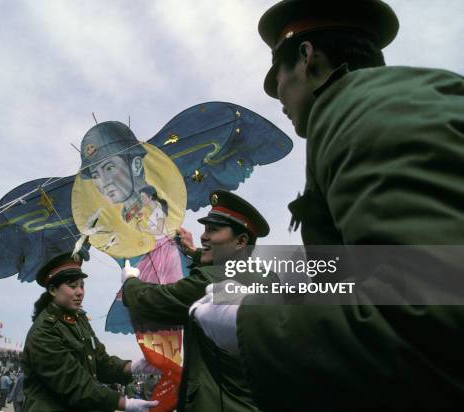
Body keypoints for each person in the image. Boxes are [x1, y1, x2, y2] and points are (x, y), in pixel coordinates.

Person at [191, 0, 464, 410]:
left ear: (306, 57)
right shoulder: (404, 101)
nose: (277, 93)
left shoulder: (361, 113)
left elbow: (423, 318)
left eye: (277, 77)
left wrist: (250, 325)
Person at [122, 189, 270, 412]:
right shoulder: (264, 275)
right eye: (205, 229)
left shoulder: (213, 282)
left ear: (241, 241)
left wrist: (130, 282)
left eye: (213, 230)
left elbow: (156, 300)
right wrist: (194, 252)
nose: (203, 236)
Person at [21, 251, 159, 412]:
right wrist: (124, 404)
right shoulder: (44, 331)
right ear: (52, 290)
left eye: (82, 285)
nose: (80, 292)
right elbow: (75, 384)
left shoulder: (78, 319)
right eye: (72, 286)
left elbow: (101, 362)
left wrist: (133, 366)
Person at [79, 121, 149, 222]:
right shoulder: (124, 218)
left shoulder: (156, 204)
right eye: (96, 176)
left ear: (136, 165)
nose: (104, 182)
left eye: (109, 168)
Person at [135, 185, 182, 285]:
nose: (142, 200)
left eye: (143, 197)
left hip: (163, 245)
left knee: (155, 272)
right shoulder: (155, 210)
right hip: (159, 243)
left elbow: (159, 231)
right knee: (149, 271)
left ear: (150, 197)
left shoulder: (158, 211)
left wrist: (143, 229)